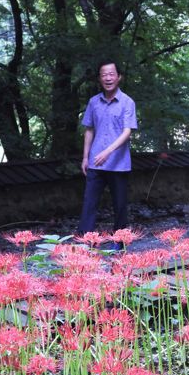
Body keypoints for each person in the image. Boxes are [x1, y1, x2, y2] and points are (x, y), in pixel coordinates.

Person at [77, 60, 137, 246]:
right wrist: (86, 157)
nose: (108, 78)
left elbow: (127, 132)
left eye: (112, 74)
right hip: (95, 162)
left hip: (118, 164)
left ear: (119, 77)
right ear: (99, 79)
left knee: (119, 206)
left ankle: (120, 243)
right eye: (104, 75)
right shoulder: (93, 102)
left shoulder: (127, 102)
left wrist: (108, 152)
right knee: (89, 205)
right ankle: (84, 243)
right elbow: (89, 129)